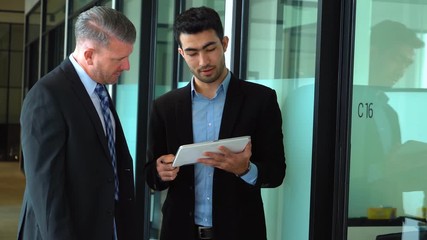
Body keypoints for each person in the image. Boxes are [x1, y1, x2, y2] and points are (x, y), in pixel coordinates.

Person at [144, 6, 286, 240]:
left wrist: (245, 170)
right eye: (192, 52)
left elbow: (276, 172)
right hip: (179, 232)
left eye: (210, 48)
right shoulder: (164, 107)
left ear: (225, 43)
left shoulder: (261, 100)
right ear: (181, 53)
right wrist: (160, 172)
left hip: (241, 232)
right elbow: (151, 174)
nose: (203, 61)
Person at [18, 6, 137, 239]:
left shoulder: (99, 89)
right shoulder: (46, 96)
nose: (127, 66)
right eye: (119, 59)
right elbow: (47, 194)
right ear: (89, 55)